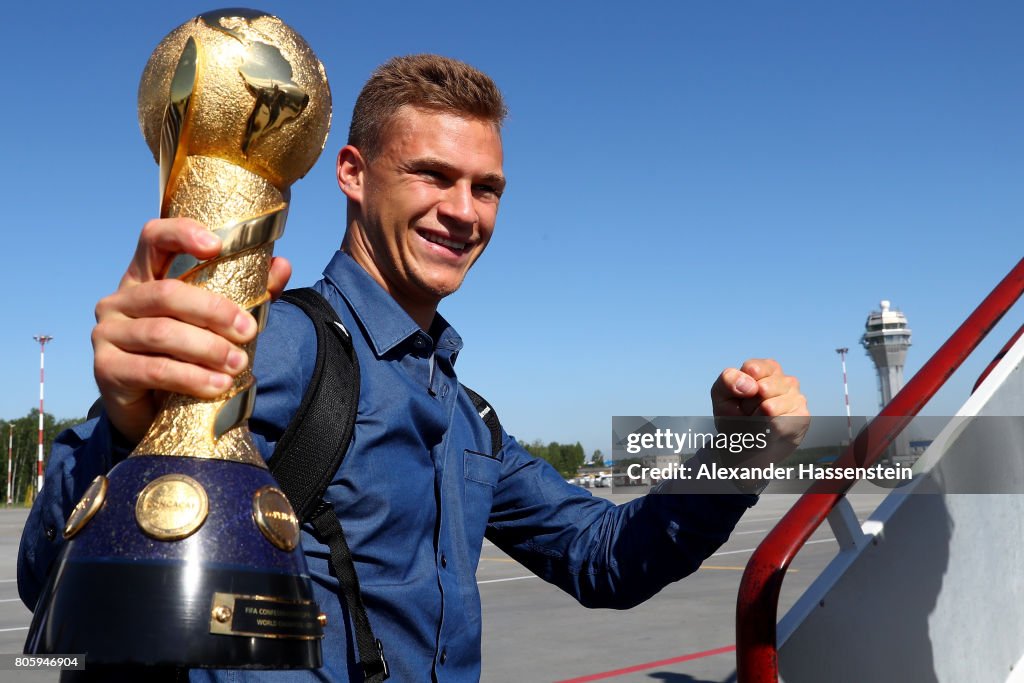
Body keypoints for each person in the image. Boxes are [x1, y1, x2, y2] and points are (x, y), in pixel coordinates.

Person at [19, 54, 809, 681]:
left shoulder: (465, 415)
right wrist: (125, 429)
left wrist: (737, 451)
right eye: (433, 174)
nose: (464, 210)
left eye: (486, 188)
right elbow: (49, 576)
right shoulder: (280, 345)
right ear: (353, 173)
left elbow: (606, 557)